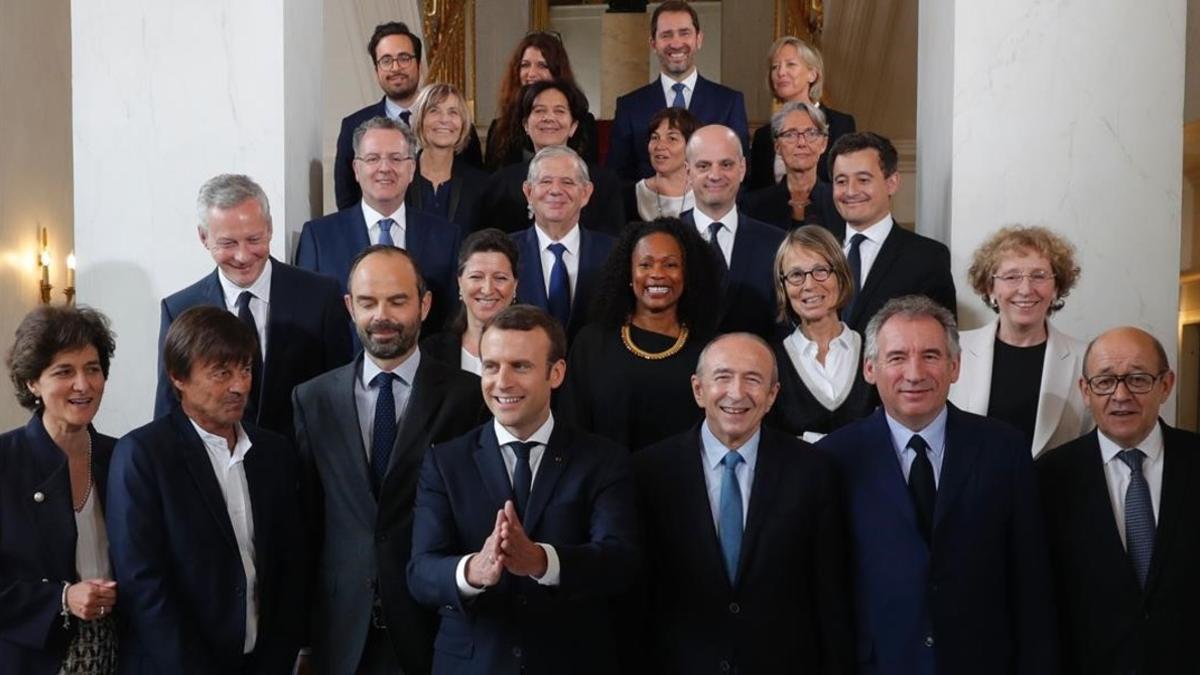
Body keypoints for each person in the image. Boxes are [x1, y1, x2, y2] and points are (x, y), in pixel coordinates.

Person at [817, 295, 1058, 675]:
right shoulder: (834, 459)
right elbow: (825, 591)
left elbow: (1031, 580)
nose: (914, 373)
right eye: (897, 357)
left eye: (930, 355)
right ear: (869, 368)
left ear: (955, 366)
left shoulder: (1004, 449)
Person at [407, 305, 639, 674]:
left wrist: (542, 561)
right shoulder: (445, 462)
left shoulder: (603, 460)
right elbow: (421, 573)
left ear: (556, 372)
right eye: (491, 366)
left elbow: (620, 563)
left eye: (521, 366)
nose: (502, 382)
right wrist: (473, 571)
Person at [292, 245, 483, 675]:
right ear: (349, 307)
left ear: (425, 304)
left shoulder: (467, 396)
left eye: (397, 301)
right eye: (368, 302)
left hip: (434, 625)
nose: (382, 315)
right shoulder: (312, 398)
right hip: (341, 631)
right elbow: (308, 523)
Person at [633, 333, 854, 673]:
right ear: (698, 389)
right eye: (722, 377)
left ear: (771, 396)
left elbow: (830, 597)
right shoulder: (648, 472)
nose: (737, 393)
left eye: (753, 379)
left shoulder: (814, 471)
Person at [107, 306, 306, 674]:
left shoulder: (273, 452)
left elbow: (290, 565)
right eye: (221, 372)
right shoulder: (143, 454)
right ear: (178, 377)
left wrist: (279, 656)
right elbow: (144, 582)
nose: (240, 385)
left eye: (245, 369)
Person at [1038, 327, 1200, 675]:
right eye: (1105, 381)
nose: (1121, 395)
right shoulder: (1049, 477)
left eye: (1139, 379)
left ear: (1166, 385)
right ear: (1085, 390)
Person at [155, 174, 352, 438]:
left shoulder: (321, 296)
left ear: (269, 228)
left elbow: (340, 395)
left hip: (302, 466)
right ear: (204, 237)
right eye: (228, 243)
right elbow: (169, 412)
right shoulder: (179, 309)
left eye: (254, 239)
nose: (243, 255)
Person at [0, 306, 118, 674]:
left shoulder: (123, 457)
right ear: (33, 382)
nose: (83, 385)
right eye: (64, 372)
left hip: (119, 651)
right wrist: (63, 598)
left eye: (93, 369)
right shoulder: (5, 462)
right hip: (32, 657)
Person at [559, 218, 720, 452]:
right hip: (605, 483)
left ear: (687, 274)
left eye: (670, 265)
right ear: (629, 273)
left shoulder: (711, 350)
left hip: (684, 483)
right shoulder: (592, 344)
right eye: (645, 265)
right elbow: (571, 428)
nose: (657, 274)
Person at [296, 117, 461, 334]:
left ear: (412, 169)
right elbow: (307, 318)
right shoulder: (318, 237)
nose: (385, 168)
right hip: (344, 365)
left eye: (396, 158)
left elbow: (450, 321)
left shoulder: (446, 237)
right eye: (373, 159)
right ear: (356, 169)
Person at [950, 226, 1089, 456]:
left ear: (1056, 288)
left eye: (1039, 276)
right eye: (1011, 276)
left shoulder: (1085, 359)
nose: (1025, 289)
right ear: (990, 288)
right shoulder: (955, 350)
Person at [334, 21, 482, 210]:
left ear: (419, 64)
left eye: (404, 58)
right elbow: (347, 200)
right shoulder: (353, 126)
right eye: (386, 60)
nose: (396, 68)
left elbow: (476, 186)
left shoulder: (453, 124)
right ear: (376, 70)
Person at [607, 0, 749, 182]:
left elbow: (742, 174)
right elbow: (618, 178)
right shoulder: (629, 106)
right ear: (653, 43)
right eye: (666, 35)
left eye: (684, 33)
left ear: (699, 39)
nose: (676, 43)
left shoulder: (729, 102)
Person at [829, 132, 957, 332]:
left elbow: (939, 343)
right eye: (841, 181)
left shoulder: (928, 257)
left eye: (863, 180)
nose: (851, 191)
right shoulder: (820, 252)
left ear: (892, 183)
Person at [767, 225, 876, 441]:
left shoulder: (874, 351)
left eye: (820, 271)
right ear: (783, 287)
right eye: (796, 275)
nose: (809, 285)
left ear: (841, 276)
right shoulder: (771, 362)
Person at [477, 80, 625, 236]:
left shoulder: (604, 183)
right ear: (526, 125)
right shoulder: (500, 184)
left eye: (559, 111)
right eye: (539, 111)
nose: (549, 118)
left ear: (573, 126)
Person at [681, 124, 785, 340]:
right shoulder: (664, 240)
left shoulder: (777, 243)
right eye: (703, 166)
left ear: (742, 169)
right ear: (688, 173)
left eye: (726, 164)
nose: (715, 175)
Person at [512, 146, 614, 342]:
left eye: (567, 182)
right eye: (546, 181)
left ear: (585, 193)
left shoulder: (613, 252)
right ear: (528, 192)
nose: (556, 190)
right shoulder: (505, 252)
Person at [749, 36, 856, 188]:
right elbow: (756, 194)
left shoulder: (841, 125)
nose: (781, 72)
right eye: (775, 67)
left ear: (812, 74)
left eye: (790, 65)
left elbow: (847, 184)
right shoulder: (763, 136)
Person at [485, 32, 599, 170]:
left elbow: (588, 177)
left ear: (557, 71)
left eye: (542, 65)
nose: (531, 73)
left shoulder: (584, 124)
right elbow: (493, 183)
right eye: (525, 65)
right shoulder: (500, 127)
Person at [421, 228, 520, 374]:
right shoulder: (430, 353)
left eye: (500, 278)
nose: (487, 289)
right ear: (460, 283)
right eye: (476, 277)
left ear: (515, 285)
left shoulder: (535, 350)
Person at [742, 101, 845, 236]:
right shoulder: (753, 205)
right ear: (777, 146)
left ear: (824, 144)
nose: (801, 143)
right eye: (790, 134)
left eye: (811, 133)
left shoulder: (841, 199)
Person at [406, 83, 490, 230]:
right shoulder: (400, 178)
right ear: (419, 120)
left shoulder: (481, 185)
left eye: (453, 112)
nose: (444, 119)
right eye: (434, 111)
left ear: (463, 124)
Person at [623, 107, 698, 221]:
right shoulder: (629, 195)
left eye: (672, 138)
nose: (659, 146)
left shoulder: (708, 193)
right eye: (655, 138)